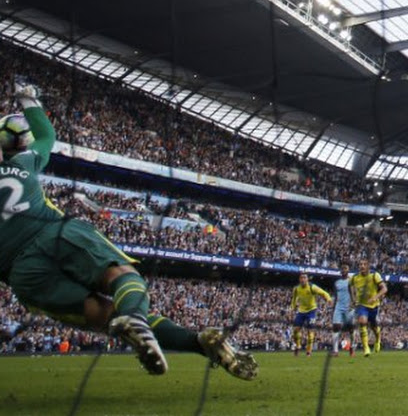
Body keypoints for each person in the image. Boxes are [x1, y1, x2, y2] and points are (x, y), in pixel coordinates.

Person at [0, 83, 256, 379]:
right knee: (121, 277)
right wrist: (27, 99)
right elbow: (47, 135)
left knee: (106, 315)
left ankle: (196, 343)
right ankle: (146, 322)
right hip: (55, 233)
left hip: (22, 271)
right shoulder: (23, 163)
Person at [350, 259, 387, 357]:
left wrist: (375, 297)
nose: (362, 266)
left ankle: (378, 339)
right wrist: (353, 299)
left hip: (373, 306)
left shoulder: (375, 275)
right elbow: (351, 287)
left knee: (374, 327)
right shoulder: (355, 277)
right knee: (362, 322)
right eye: (360, 264)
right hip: (362, 305)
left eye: (364, 264)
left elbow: (384, 288)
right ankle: (366, 348)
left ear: (368, 266)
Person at [290, 273, 332, 357]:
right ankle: (298, 346)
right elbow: (294, 299)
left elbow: (323, 292)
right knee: (295, 330)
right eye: (301, 278)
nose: (303, 279)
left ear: (307, 279)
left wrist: (328, 298)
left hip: (311, 311)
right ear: (299, 279)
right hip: (301, 311)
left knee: (310, 331)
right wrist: (293, 307)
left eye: (304, 278)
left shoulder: (312, 287)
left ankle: (308, 351)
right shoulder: (296, 289)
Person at [331, 263, 356, 357]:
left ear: (348, 270)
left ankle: (352, 348)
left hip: (349, 308)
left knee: (351, 329)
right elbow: (335, 296)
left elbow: (355, 293)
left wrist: (354, 304)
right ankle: (335, 351)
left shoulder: (352, 281)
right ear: (341, 270)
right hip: (338, 307)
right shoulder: (337, 283)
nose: (344, 270)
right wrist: (334, 308)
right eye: (342, 268)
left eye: (346, 268)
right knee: (336, 327)